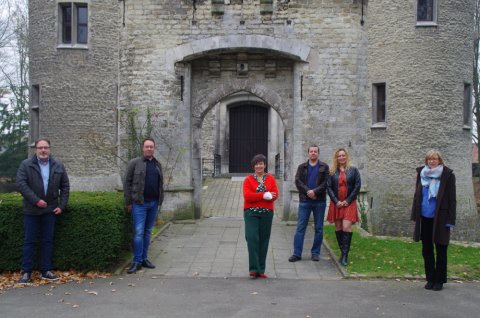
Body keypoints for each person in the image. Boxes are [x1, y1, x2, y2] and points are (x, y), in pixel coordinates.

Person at [16, 138, 70, 284]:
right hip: (31, 210)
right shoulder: (26, 165)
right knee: (30, 241)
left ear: (50, 149)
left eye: (46, 147)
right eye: (40, 148)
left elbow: (65, 187)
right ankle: (26, 272)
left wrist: (62, 205)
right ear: (36, 150)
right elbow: (21, 184)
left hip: (51, 210)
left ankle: (45, 271)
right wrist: (36, 200)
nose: (43, 150)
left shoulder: (58, 165)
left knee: (48, 241)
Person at [410, 150, 456, 291]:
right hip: (425, 217)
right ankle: (430, 278)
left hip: (441, 218)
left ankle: (439, 280)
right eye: (429, 159)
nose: (431, 161)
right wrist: (414, 215)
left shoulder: (448, 175)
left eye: (434, 159)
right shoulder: (422, 174)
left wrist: (450, 219)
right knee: (427, 249)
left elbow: (452, 199)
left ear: (439, 160)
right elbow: (417, 196)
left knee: (441, 249)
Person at [124, 138, 164, 274]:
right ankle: (136, 261)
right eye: (147, 146)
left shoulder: (158, 164)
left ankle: (144, 259)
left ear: (154, 148)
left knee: (147, 232)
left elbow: (160, 184)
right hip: (139, 204)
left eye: (151, 147)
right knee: (139, 232)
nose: (149, 149)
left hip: (153, 203)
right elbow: (127, 183)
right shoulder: (134, 163)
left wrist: (160, 200)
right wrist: (128, 202)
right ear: (143, 148)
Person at [289, 145, 329, 262]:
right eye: (311, 151)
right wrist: (308, 191)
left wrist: (315, 191)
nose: (313, 153)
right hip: (305, 201)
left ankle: (315, 253)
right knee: (300, 227)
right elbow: (298, 181)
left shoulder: (324, 167)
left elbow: (326, 182)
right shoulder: (302, 167)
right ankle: (297, 253)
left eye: (315, 151)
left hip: (319, 201)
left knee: (319, 228)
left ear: (318, 153)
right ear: (308, 153)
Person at [243, 154, 278, 278]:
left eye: (261, 163)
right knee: (252, 238)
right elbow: (248, 196)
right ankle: (253, 268)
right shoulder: (248, 180)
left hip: (267, 213)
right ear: (254, 166)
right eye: (257, 164)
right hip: (251, 213)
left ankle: (260, 270)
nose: (259, 166)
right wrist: (263, 196)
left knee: (264, 241)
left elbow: (275, 194)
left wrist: (263, 196)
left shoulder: (270, 179)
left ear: (265, 165)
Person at [326, 148, 361, 266]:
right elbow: (329, 187)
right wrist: (336, 201)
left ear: (346, 157)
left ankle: (345, 255)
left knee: (346, 227)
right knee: (338, 227)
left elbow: (357, 186)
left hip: (349, 203)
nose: (341, 157)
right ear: (336, 158)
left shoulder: (353, 170)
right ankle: (342, 252)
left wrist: (347, 200)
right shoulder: (331, 171)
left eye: (343, 155)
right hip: (336, 203)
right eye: (339, 156)